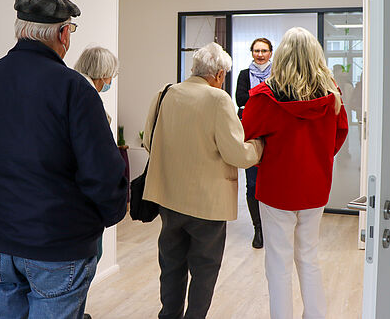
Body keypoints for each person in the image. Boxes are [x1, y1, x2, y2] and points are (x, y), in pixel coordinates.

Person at [0, 0, 128, 319]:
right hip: (59, 244)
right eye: (70, 30)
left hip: (0, 242)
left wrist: (6, 194)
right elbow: (103, 175)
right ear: (63, 34)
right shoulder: (74, 88)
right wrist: (100, 218)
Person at [143, 42, 264, 319]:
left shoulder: (165, 93)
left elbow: (150, 141)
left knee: (171, 265)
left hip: (169, 197)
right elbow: (238, 154)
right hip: (207, 204)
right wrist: (259, 145)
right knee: (204, 269)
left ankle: (168, 315)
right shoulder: (218, 99)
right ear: (220, 74)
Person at [242, 27, 348, 319]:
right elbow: (339, 135)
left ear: (282, 56)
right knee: (309, 257)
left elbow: (247, 134)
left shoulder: (265, 97)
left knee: (278, 264)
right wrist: (317, 158)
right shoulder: (332, 95)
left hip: (277, 189)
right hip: (315, 187)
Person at [74, 45, 120, 319]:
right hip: (83, 203)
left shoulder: (70, 88)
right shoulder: (87, 98)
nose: (110, 82)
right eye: (110, 75)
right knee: (87, 260)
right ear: (102, 74)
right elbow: (99, 159)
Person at [235, 37, 273, 249]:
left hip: (273, 133)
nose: (260, 54)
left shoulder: (279, 74)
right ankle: (258, 228)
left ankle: (271, 227)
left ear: (270, 53)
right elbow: (240, 99)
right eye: (256, 51)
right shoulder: (243, 74)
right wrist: (264, 93)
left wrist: (254, 94)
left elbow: (282, 98)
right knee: (252, 183)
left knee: (273, 181)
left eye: (264, 51)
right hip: (251, 133)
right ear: (252, 52)